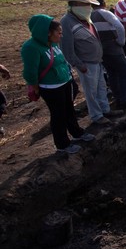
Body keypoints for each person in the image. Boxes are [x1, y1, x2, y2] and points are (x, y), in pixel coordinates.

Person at [21, 15, 95, 153]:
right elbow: (30, 72)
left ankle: (77, 133)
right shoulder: (31, 48)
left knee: (69, 110)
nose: (61, 36)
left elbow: (61, 60)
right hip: (51, 87)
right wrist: (35, 87)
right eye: (59, 33)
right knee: (58, 114)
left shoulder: (53, 43)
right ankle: (62, 144)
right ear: (47, 32)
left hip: (64, 82)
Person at [60, 0, 121, 125]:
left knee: (101, 87)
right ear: (75, 4)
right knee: (91, 91)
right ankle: (96, 116)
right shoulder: (67, 22)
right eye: (85, 4)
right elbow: (67, 49)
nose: (88, 7)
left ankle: (105, 110)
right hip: (86, 63)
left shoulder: (86, 19)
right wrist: (79, 64)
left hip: (97, 61)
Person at [89, 0, 126, 109]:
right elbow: (119, 26)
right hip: (113, 48)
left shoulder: (89, 16)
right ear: (103, 3)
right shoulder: (105, 13)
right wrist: (120, 42)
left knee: (112, 73)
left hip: (101, 49)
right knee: (125, 73)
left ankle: (118, 97)